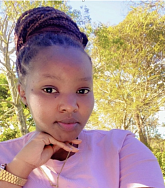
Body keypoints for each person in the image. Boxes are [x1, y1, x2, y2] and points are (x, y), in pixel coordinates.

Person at [0, 6, 164, 188]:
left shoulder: (121, 150)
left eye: (82, 91)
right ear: (22, 92)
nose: (70, 106)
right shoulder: (4, 155)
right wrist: (19, 168)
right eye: (49, 89)